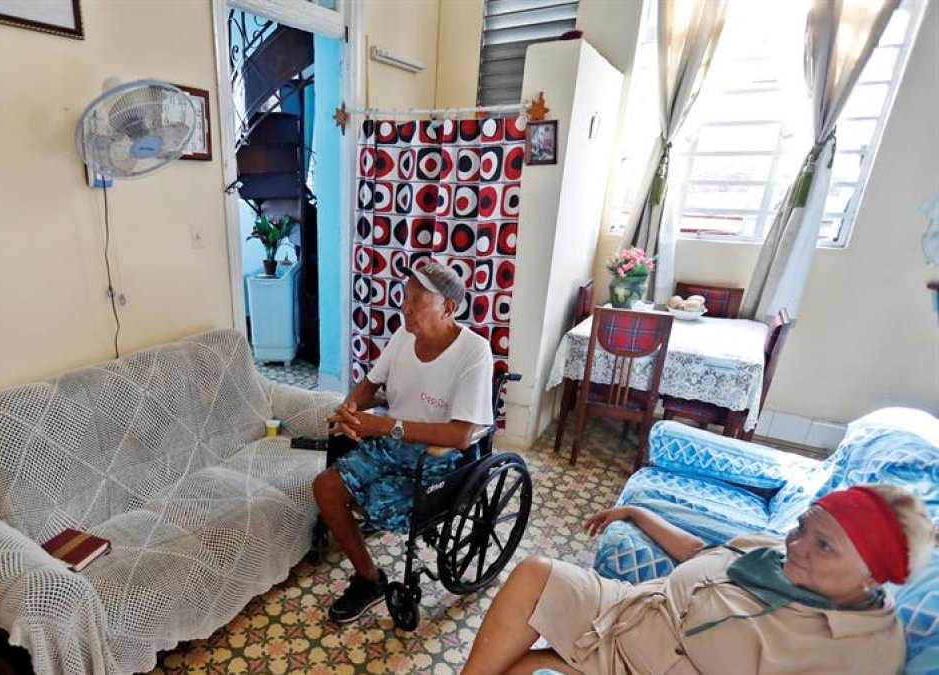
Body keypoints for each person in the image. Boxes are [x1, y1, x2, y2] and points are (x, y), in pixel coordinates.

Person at [463, 483, 934, 675]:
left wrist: (558, 662)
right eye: (803, 526)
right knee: (534, 574)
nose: (796, 545)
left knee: (527, 665)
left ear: (873, 575)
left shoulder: (862, 652)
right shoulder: (773, 550)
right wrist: (638, 511)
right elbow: (699, 552)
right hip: (632, 608)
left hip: (652, 662)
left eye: (824, 544)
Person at [314, 261, 495, 623]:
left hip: (440, 458)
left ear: (448, 307)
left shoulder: (474, 352)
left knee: (377, 500)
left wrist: (382, 425)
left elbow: (460, 434)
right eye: (405, 298)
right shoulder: (403, 336)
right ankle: (369, 579)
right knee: (327, 488)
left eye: (417, 301)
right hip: (391, 444)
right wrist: (350, 408)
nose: (405, 308)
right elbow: (370, 384)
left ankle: (372, 537)